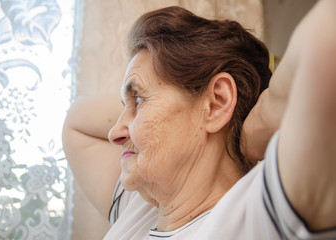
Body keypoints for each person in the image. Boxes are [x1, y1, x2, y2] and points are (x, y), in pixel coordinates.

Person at [62, 0, 336, 239]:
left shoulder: (255, 218)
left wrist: (258, 124)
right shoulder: (141, 208)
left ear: (217, 103)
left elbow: (327, 31)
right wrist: (138, 97)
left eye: (140, 100)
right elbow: (77, 122)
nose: (114, 134)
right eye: (127, 105)